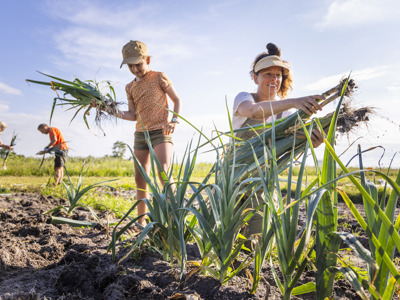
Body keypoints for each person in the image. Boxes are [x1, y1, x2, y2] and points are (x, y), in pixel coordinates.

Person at [232, 42, 325, 238]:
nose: (274, 79)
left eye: (278, 75)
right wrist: (294, 101)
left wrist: (312, 142)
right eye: (268, 74)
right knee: (222, 236)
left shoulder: (287, 115)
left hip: (262, 182)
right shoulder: (244, 98)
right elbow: (253, 111)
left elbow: (291, 146)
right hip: (232, 177)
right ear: (255, 77)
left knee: (258, 241)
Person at [95, 40, 182, 227]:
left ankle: (175, 219)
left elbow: (177, 100)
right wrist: (105, 108)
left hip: (161, 130)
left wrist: (174, 121)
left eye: (138, 64)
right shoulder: (130, 87)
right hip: (141, 134)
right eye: (130, 66)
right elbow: (132, 115)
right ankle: (140, 222)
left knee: (163, 172)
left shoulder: (159, 77)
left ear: (147, 59)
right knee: (140, 178)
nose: (135, 69)